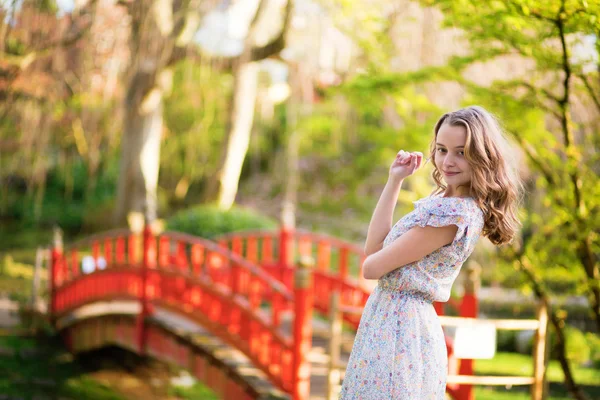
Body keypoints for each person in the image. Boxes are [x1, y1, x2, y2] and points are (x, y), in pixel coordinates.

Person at [339, 106, 522, 399]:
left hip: (401, 329)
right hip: (390, 320)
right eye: (441, 149)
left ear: (481, 156)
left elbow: (371, 268)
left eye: (461, 152)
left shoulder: (452, 214)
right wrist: (394, 180)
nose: (447, 161)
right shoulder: (441, 203)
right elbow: (374, 251)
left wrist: (376, 264)